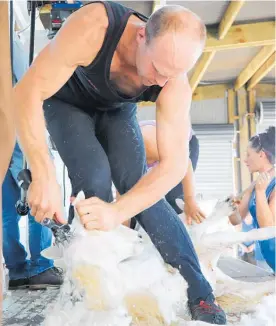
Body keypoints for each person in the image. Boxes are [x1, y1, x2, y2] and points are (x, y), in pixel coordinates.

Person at [14, 2, 226, 323]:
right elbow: (26, 92)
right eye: (157, 68)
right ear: (142, 35)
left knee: (137, 185)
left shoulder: (172, 81)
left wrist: (119, 211)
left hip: (116, 110)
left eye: (172, 74)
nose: (160, 81)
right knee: (95, 181)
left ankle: (200, 291)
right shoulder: (95, 26)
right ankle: (87, 291)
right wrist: (42, 171)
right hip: (66, 103)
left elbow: (173, 166)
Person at [2, 32, 63, 290]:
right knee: (39, 189)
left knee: (8, 206)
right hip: (16, 126)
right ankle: (40, 265)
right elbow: (26, 86)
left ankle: (16, 269)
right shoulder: (6, 36)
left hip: (3, 129)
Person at [229, 126, 275, 273]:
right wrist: (228, 207)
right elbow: (236, 220)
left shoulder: (269, 185)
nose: (245, 160)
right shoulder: (254, 186)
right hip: (264, 257)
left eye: (248, 155)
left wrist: (261, 193)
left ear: (261, 155)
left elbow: (269, 227)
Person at [140, 120, 206, 223]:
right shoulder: (120, 166)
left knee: (174, 198)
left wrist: (189, 199)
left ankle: (190, 224)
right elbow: (123, 197)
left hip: (183, 142)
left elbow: (185, 163)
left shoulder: (149, 144)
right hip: (153, 150)